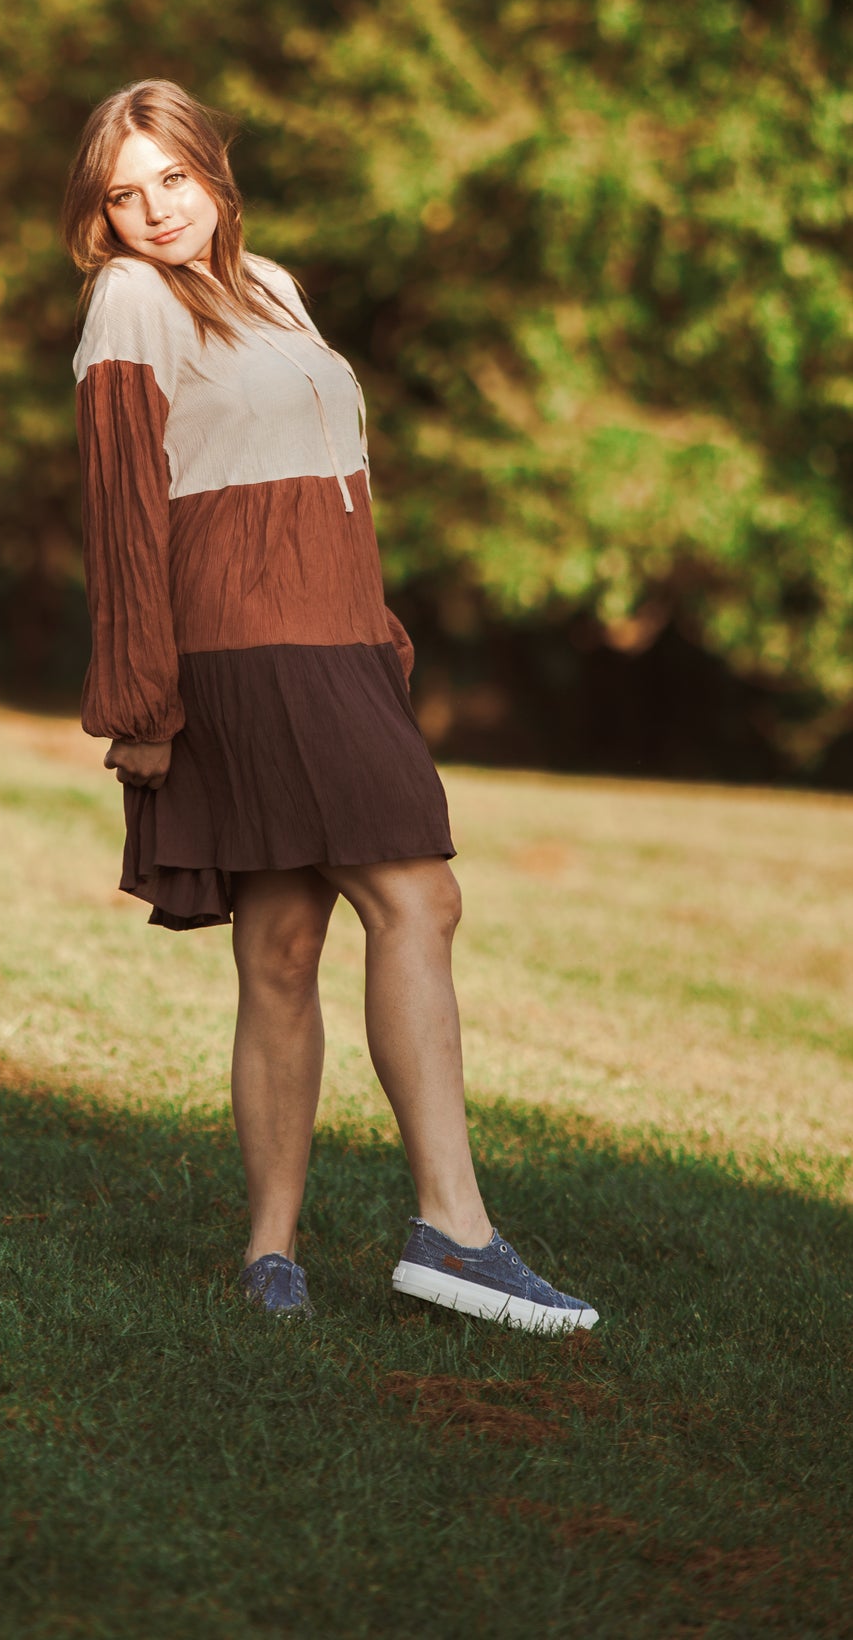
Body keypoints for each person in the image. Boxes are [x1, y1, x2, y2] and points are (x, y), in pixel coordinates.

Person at [62, 78, 598, 1331]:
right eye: (124, 195)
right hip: (244, 647)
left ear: (213, 168)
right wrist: (138, 694)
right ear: (102, 216)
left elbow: (333, 481)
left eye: (173, 179)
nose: (154, 211)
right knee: (417, 893)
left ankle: (270, 1256)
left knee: (285, 944)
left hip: (333, 635)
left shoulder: (276, 288)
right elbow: (122, 509)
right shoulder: (126, 298)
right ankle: (453, 1232)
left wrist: (378, 637)